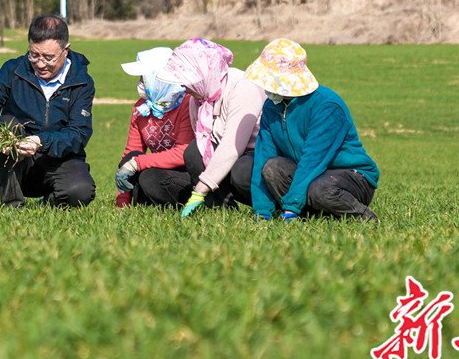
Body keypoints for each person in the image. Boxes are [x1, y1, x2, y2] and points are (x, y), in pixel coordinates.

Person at [0, 14, 96, 207]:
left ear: (66, 50)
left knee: (80, 191)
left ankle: (50, 200)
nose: (40, 64)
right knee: (7, 123)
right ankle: (12, 204)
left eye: (48, 57)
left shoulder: (82, 82)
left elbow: (79, 133)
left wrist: (41, 142)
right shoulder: (12, 70)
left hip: (58, 159)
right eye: (34, 54)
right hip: (15, 162)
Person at [246, 38, 380, 222]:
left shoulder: (327, 105)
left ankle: (365, 217)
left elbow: (313, 158)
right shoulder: (272, 106)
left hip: (350, 176)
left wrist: (291, 206)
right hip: (312, 174)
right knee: (271, 167)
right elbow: (264, 155)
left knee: (320, 189)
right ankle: (310, 215)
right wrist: (262, 211)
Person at [148, 37, 265, 215]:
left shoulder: (243, 88)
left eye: (185, 80)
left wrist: (200, 189)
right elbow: (203, 142)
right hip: (229, 156)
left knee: (241, 172)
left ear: (201, 75)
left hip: (254, 156)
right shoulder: (199, 100)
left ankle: (269, 208)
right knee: (194, 152)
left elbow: (232, 147)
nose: (182, 87)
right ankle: (221, 209)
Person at [112, 47, 194, 207]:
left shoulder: (187, 103)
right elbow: (131, 152)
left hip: (186, 172)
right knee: (133, 162)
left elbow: (183, 152)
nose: (140, 84)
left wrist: (137, 163)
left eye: (144, 78)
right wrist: (121, 199)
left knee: (149, 178)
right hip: (159, 168)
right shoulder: (140, 108)